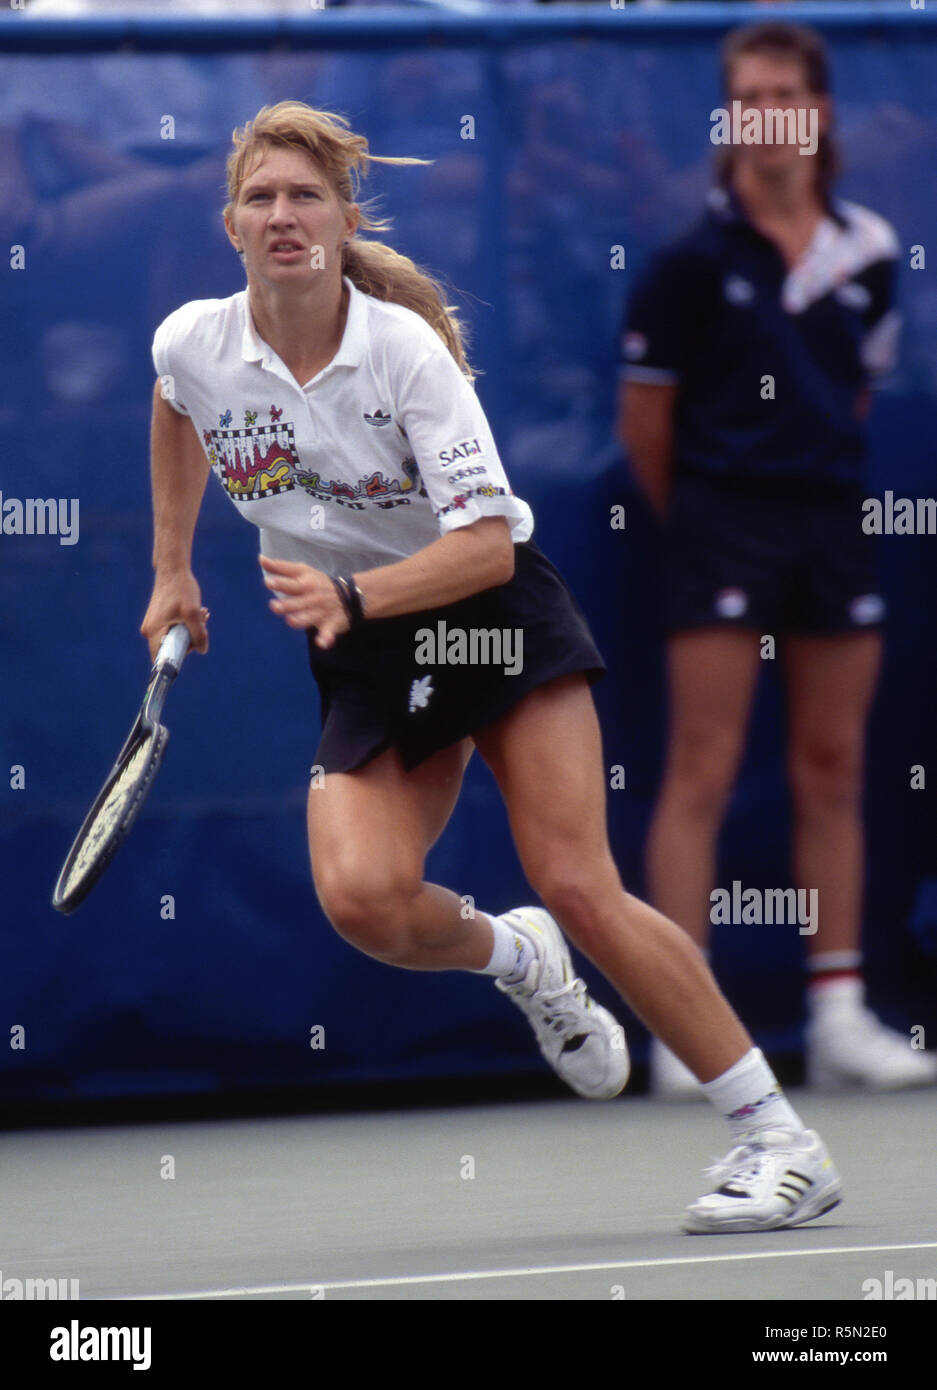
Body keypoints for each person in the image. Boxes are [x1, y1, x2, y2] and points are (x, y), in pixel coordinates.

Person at [142, 100, 843, 1233]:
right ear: (231, 223)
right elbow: (176, 408)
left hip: (487, 616)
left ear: (339, 219)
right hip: (367, 650)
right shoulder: (194, 342)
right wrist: (174, 567)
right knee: (364, 899)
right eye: (262, 196)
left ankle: (780, 1139)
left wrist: (356, 593)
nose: (283, 215)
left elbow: (484, 543)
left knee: (578, 876)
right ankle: (519, 959)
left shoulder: (404, 351)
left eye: (305, 195)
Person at [618, 22, 937, 1097]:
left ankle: (840, 1013)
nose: (764, 115)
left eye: (782, 95)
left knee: (833, 768)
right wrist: (711, 513)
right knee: (701, 767)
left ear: (819, 110)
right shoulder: (685, 269)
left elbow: (852, 394)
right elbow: (644, 427)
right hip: (717, 523)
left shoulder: (871, 253)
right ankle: (682, 1032)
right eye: (744, 97)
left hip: (833, 524)